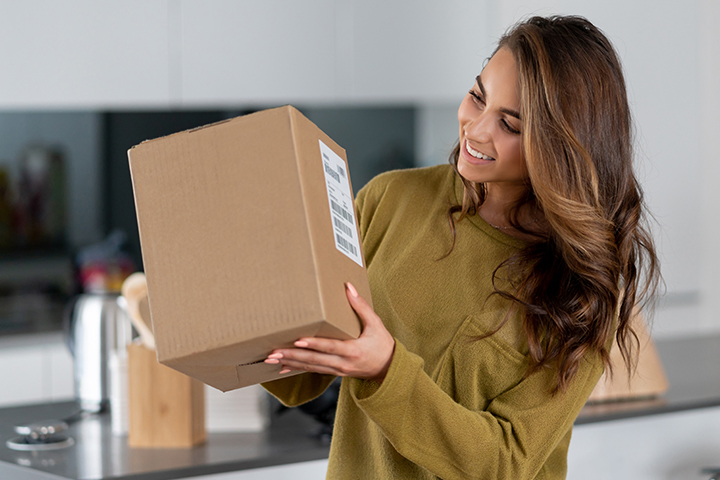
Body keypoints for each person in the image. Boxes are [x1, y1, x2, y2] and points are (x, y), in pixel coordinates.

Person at [262, 15, 660, 479]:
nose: (475, 130)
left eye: (510, 125)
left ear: (562, 147)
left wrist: (386, 370)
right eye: (477, 96)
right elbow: (302, 373)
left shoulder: (576, 287)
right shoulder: (389, 199)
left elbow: (506, 462)